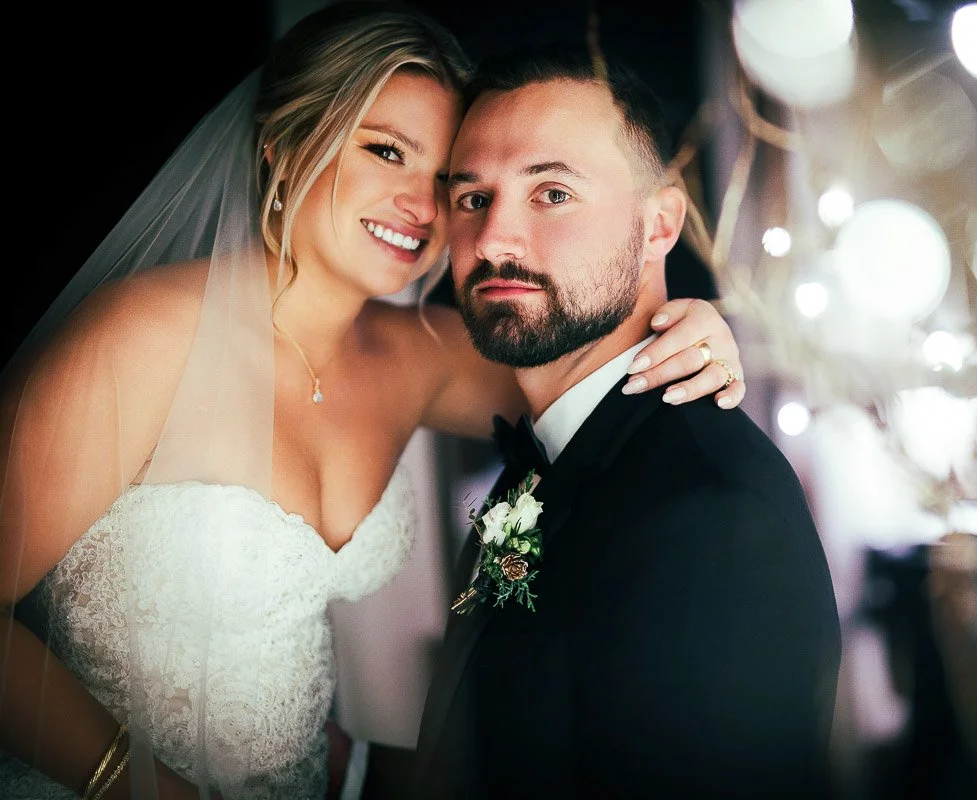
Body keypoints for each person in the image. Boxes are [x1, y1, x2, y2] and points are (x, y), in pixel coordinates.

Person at [0, 5, 750, 799]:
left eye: (444, 183)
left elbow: (589, 357)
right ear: (285, 148)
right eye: (386, 151)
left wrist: (697, 324)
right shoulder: (142, 338)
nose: (420, 208)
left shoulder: (420, 355)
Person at [410, 44, 842, 799]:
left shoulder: (710, 513)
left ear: (658, 225)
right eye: (473, 199)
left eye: (552, 194)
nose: (495, 240)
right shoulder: (545, 461)